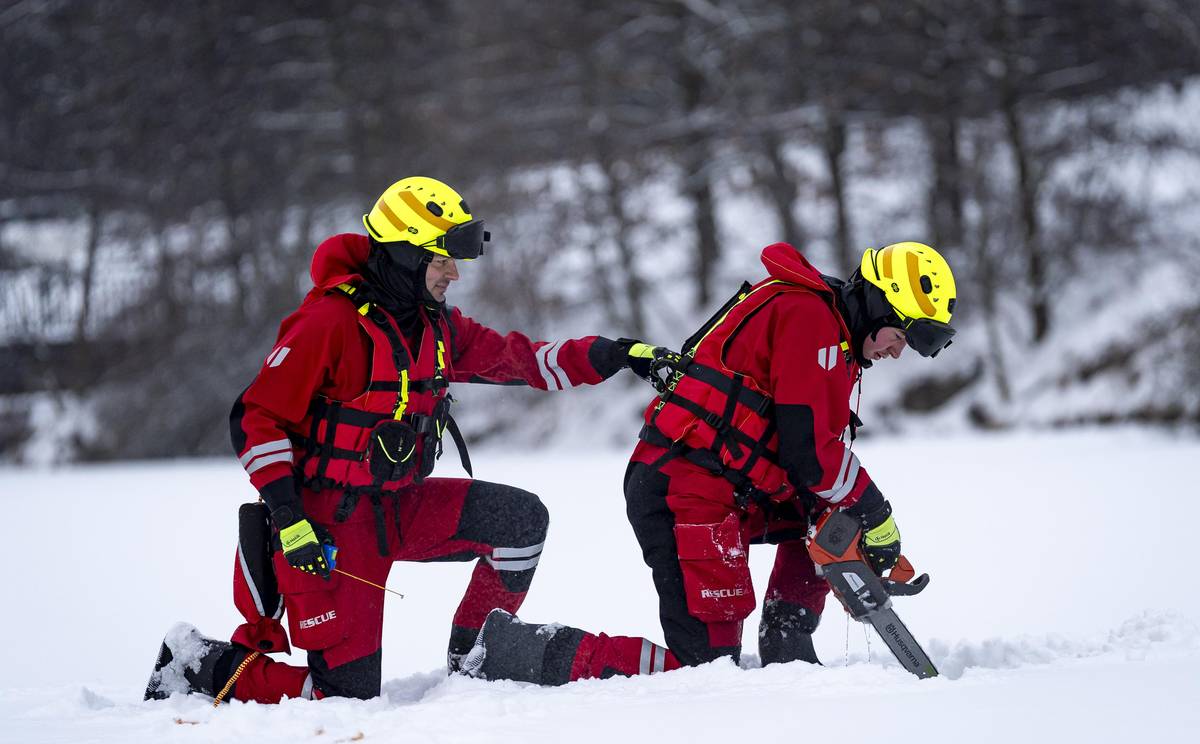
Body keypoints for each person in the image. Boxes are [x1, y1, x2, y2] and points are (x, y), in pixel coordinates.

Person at [145, 176, 659, 703]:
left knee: (521, 522)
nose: (454, 274)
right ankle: (191, 663)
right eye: (441, 261)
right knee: (342, 700)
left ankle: (474, 654)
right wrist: (289, 517)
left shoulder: (435, 326)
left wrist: (615, 354)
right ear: (406, 254)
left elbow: (522, 358)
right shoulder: (328, 323)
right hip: (328, 527)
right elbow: (256, 419)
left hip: (399, 506)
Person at [463, 240, 957, 683]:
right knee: (704, 669)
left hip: (733, 488)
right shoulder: (808, 317)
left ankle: (788, 640)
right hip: (685, 485)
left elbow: (811, 467)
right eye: (900, 336)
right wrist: (876, 512)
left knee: (828, 518)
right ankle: (509, 650)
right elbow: (810, 455)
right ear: (878, 304)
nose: (897, 352)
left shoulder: (834, 338)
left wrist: (852, 529)